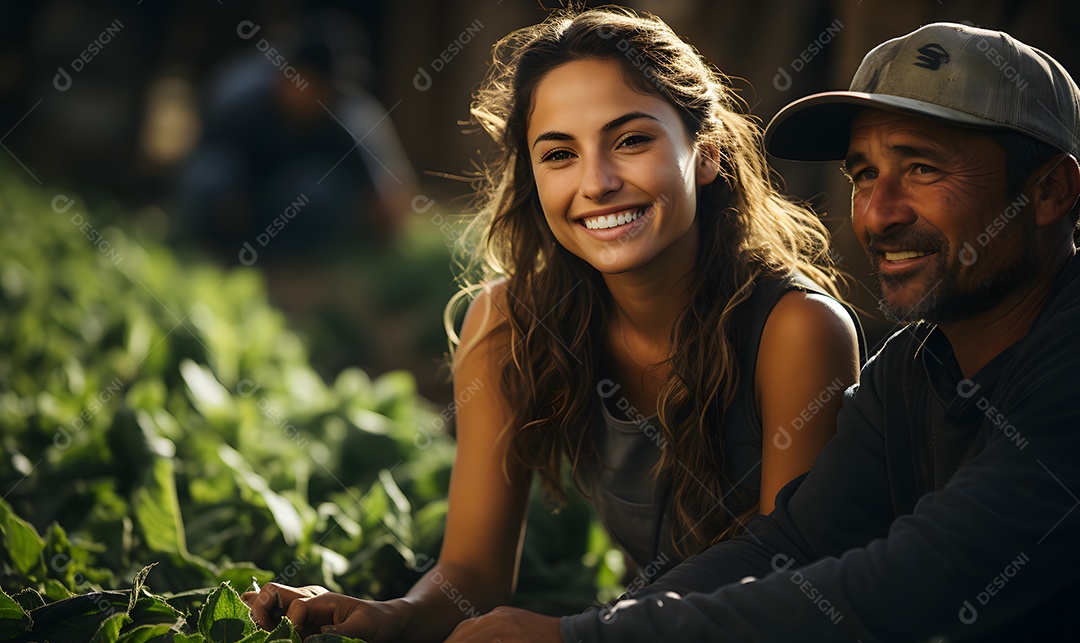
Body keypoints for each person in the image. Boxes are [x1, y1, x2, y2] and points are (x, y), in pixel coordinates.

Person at [440, 21, 1080, 643]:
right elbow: (791, 543)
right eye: (863, 174)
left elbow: (910, 581)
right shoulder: (911, 370)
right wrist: (590, 628)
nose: (878, 214)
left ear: (1051, 191)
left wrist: (583, 636)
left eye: (922, 169)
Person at [242, 7, 863, 640]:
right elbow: (472, 574)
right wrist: (387, 615)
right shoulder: (508, 325)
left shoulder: (796, 330)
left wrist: (575, 633)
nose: (597, 183)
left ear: (706, 154)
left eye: (631, 140)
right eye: (560, 154)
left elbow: (790, 583)